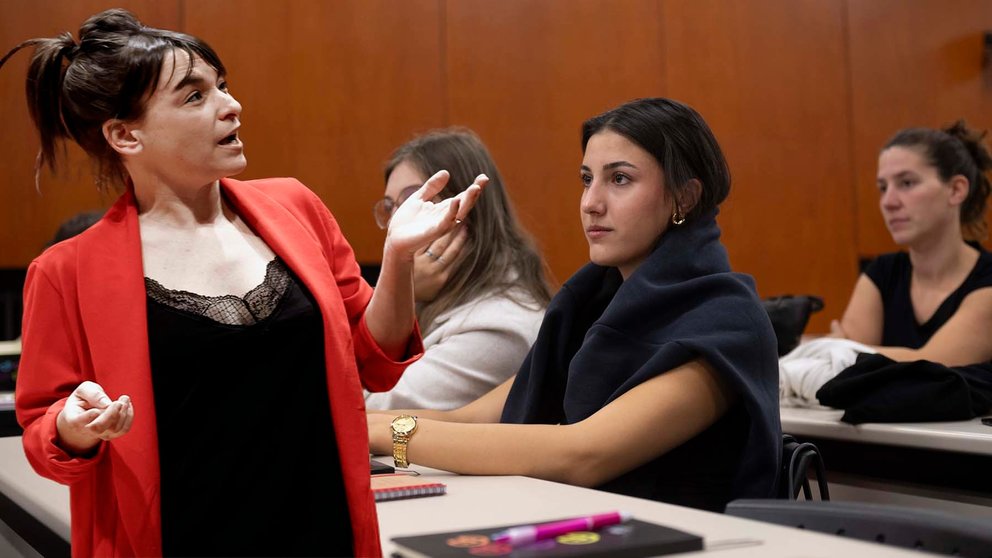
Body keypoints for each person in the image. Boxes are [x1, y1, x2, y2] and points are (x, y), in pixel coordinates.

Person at [2, 9, 483, 557]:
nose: (231, 106)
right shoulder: (67, 272)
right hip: (180, 537)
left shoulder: (295, 207)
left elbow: (373, 359)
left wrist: (397, 258)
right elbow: (44, 438)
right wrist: (73, 425)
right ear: (124, 134)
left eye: (222, 86)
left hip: (321, 528)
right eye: (194, 96)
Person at [369, 98, 781, 512]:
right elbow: (472, 418)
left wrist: (389, 436)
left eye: (619, 179)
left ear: (685, 197)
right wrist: (353, 425)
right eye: (587, 179)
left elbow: (583, 454)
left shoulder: (727, 320)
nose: (591, 202)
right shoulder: (588, 307)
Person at [365, 128, 551, 410]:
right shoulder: (427, 294)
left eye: (416, 200)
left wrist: (401, 288)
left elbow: (365, 412)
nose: (397, 223)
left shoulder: (502, 326)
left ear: (468, 212)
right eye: (391, 207)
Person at [832, 121, 992, 366]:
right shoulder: (882, 273)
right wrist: (840, 353)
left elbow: (929, 366)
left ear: (956, 190)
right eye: (883, 188)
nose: (888, 201)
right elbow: (838, 370)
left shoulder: (987, 281)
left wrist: (840, 350)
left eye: (906, 183)